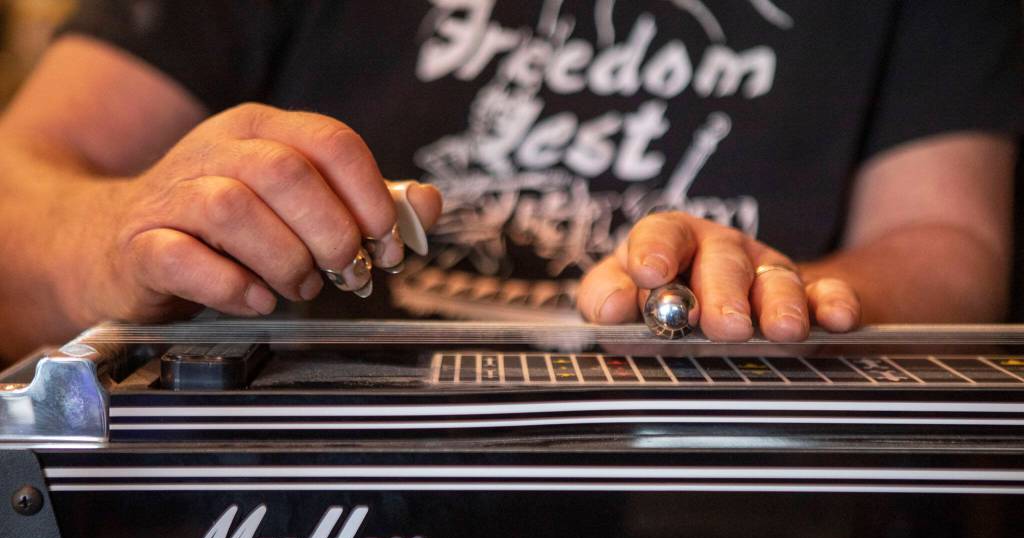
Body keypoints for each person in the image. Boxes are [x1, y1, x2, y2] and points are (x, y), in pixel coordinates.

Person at [0, 1, 1019, 365]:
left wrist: (772, 298)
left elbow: (946, 241)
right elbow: (17, 195)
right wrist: (115, 232)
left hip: (747, 534)